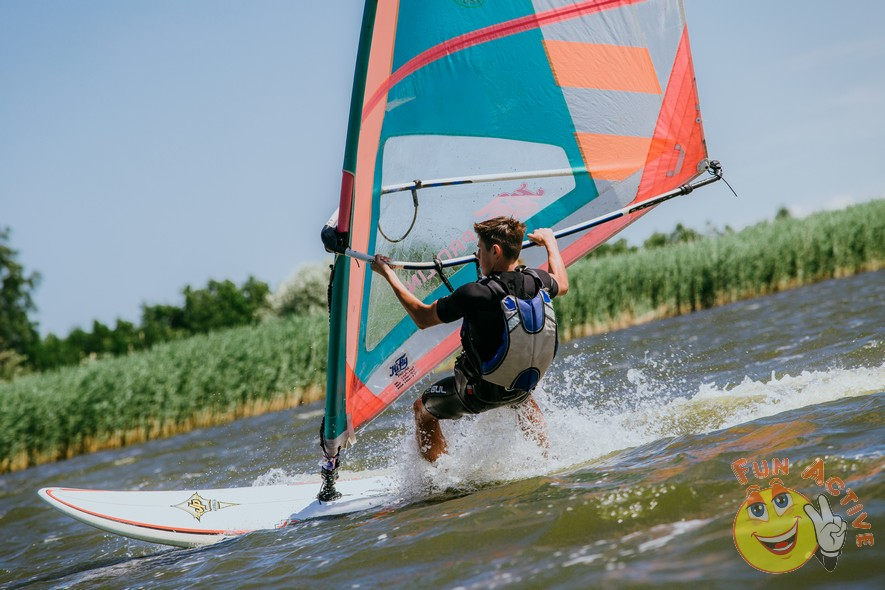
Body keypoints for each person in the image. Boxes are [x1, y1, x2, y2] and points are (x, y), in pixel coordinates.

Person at [370, 216, 569, 462]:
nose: (477, 254)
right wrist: (550, 242)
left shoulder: (475, 293)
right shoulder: (538, 281)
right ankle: (546, 458)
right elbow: (562, 283)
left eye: (480, 249)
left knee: (422, 409)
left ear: (495, 251)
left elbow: (422, 317)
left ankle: (438, 476)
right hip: (521, 386)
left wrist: (388, 274)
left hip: (479, 393)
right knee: (522, 399)